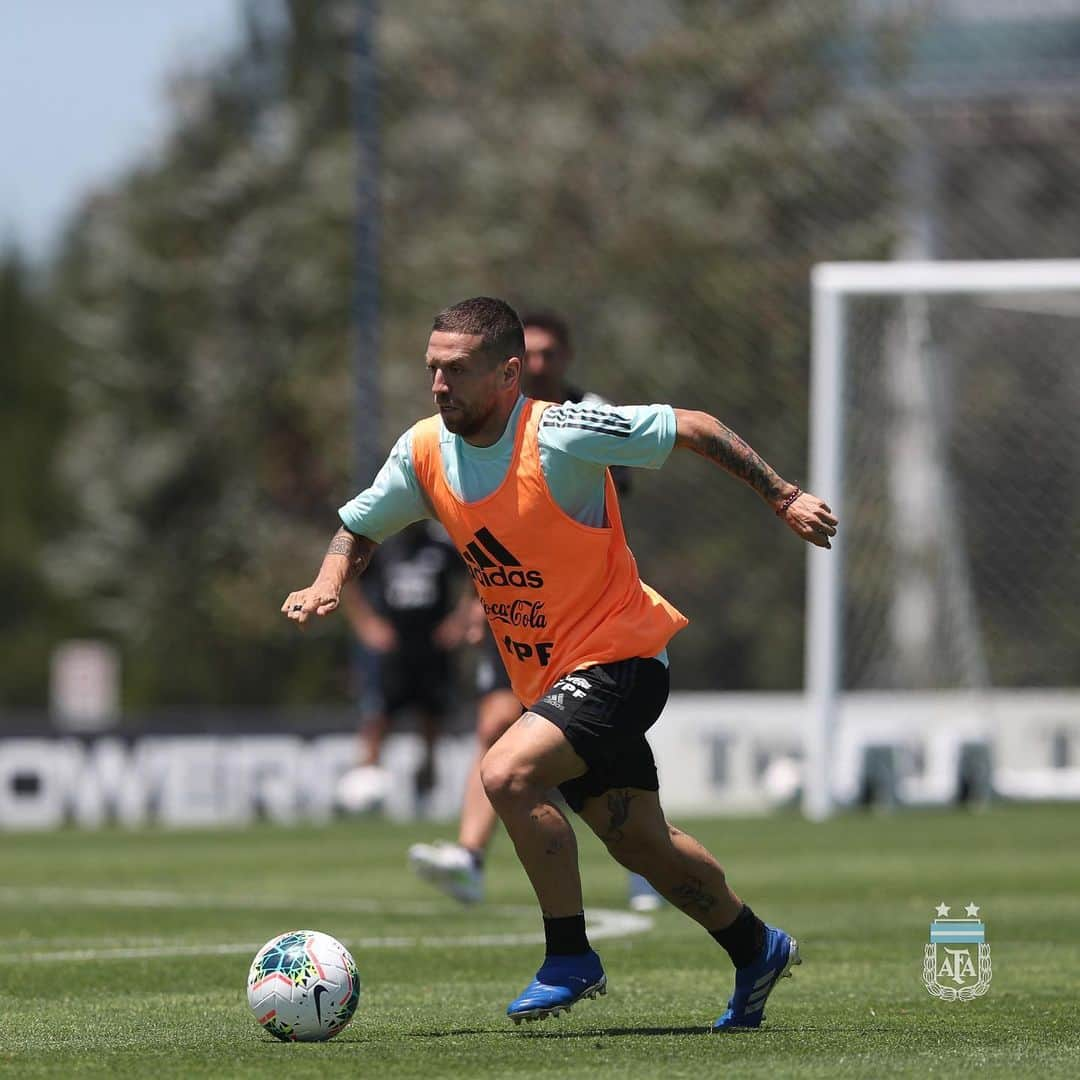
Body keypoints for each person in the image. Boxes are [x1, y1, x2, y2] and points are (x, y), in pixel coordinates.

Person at [282, 297, 838, 1031]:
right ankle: (756, 946)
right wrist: (327, 582)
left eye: (457, 371)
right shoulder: (422, 450)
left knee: (506, 771)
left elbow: (694, 427)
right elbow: (358, 526)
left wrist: (785, 496)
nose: (439, 385)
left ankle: (569, 956)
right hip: (552, 680)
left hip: (623, 656)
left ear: (509, 374)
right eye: (432, 370)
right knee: (640, 842)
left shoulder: (563, 432)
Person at [406, 310, 660, 911]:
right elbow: (488, 531)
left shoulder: (582, 415)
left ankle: (646, 861)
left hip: (582, 611)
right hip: (512, 604)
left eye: (551, 354)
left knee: (601, 748)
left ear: (562, 359)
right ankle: (469, 857)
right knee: (496, 725)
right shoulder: (473, 427)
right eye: (533, 353)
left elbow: (575, 504)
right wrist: (476, 598)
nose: (541, 364)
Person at [335, 520, 471, 814]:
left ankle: (426, 790)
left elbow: (476, 577)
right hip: (394, 649)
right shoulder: (384, 547)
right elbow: (349, 579)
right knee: (378, 718)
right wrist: (367, 625)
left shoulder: (442, 546)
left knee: (432, 720)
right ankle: (364, 788)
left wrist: (459, 622)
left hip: (433, 648)